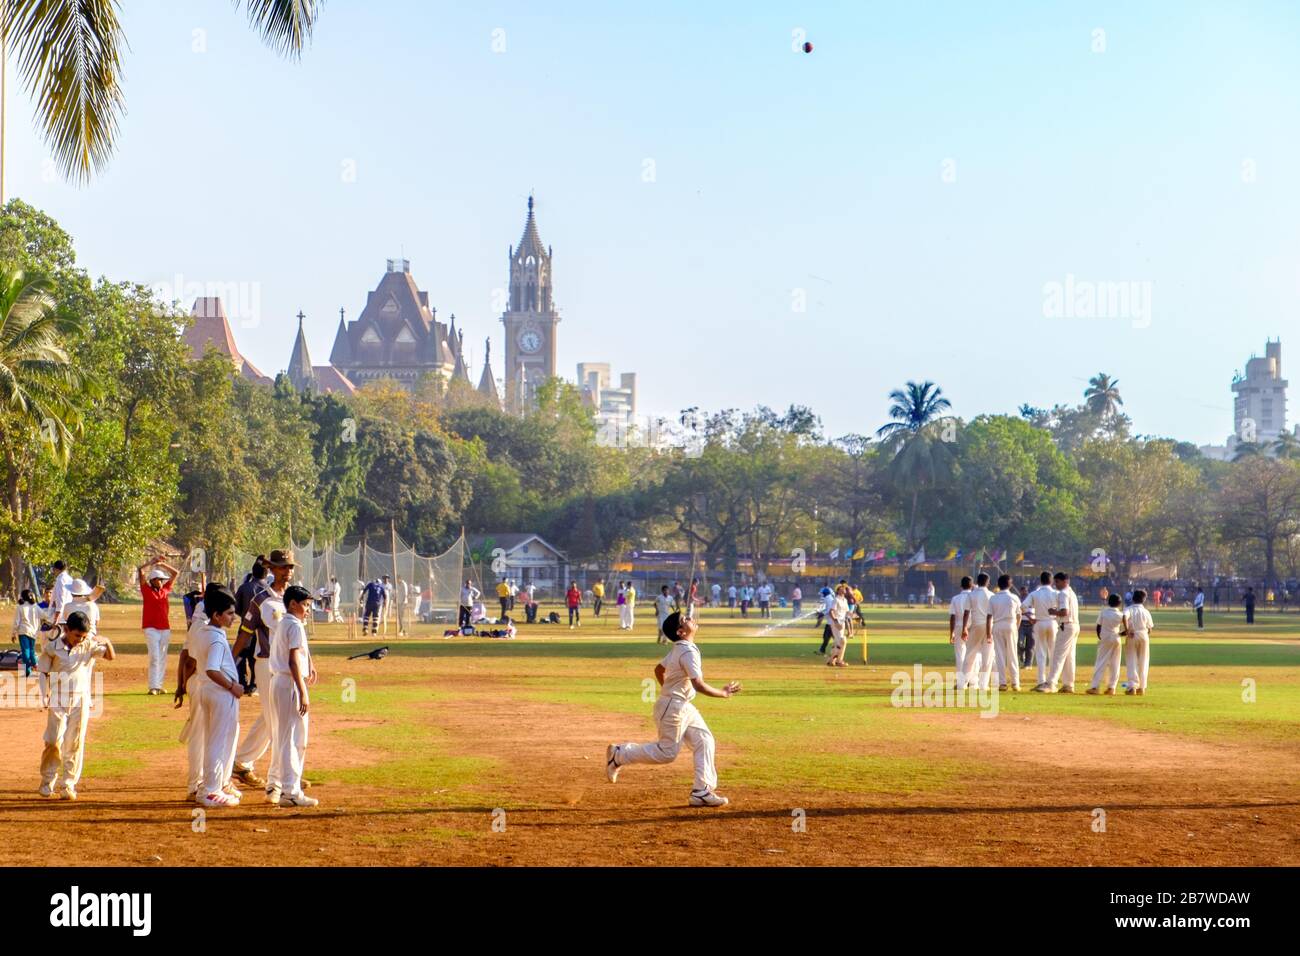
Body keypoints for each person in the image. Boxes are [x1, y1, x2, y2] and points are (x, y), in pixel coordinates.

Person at [605, 610, 741, 808]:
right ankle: (620, 754)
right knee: (666, 753)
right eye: (685, 620)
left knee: (704, 740)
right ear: (680, 631)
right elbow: (698, 685)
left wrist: (670, 691)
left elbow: (659, 670)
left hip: (681, 705)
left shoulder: (681, 647)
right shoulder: (686, 651)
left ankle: (701, 791)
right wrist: (723, 693)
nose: (690, 619)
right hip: (674, 708)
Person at [230, 550, 294, 795]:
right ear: (271, 569)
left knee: (273, 717)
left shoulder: (294, 597)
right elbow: (245, 632)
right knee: (276, 719)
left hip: (288, 664)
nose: (286, 572)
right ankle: (282, 778)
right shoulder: (260, 598)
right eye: (281, 567)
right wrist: (229, 660)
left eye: (289, 567)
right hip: (266, 663)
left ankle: (242, 762)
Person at [37, 611, 115, 800]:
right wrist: (44, 695)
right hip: (58, 699)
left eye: (83, 636)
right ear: (66, 630)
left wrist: (107, 641)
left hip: (81, 700)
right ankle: (47, 781)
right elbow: (43, 673)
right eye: (77, 635)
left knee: (75, 742)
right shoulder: (52, 647)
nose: (80, 640)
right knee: (53, 740)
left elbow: (111, 656)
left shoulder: (88, 645)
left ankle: (68, 785)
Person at [269, 585, 319, 807]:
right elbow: (291, 661)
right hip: (288, 683)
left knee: (287, 736)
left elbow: (297, 654)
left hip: (280, 681)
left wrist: (310, 664)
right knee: (294, 739)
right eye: (305, 605)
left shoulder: (287, 623)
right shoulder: (294, 625)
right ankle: (290, 790)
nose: (308, 609)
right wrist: (302, 691)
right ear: (292, 604)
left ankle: (285, 786)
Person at [194, 586, 243, 807]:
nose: (233, 618)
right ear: (216, 615)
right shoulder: (214, 638)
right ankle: (211, 789)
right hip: (219, 692)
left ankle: (210, 786)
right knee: (218, 741)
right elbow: (213, 669)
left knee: (214, 739)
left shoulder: (204, 632)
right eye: (230, 613)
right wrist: (232, 686)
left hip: (207, 690)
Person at [138, 558, 179, 696]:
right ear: (153, 580)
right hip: (150, 628)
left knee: (162, 657)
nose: (161, 582)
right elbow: (141, 570)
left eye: (162, 580)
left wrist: (162, 565)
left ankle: (159, 685)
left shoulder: (165, 590)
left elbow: (175, 573)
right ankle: (153, 686)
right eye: (159, 579)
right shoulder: (146, 590)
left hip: (165, 628)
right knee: (154, 657)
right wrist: (151, 562)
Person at [1036, 572, 1080, 694]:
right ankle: (1068, 684)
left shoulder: (1063, 594)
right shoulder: (1072, 593)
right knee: (1069, 656)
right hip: (1074, 625)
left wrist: (1053, 612)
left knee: (1058, 655)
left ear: (1065, 581)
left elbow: (1064, 612)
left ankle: (1051, 683)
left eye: (1057, 582)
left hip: (1066, 626)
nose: (1055, 585)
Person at [988, 574, 1022, 692]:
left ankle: (1002, 683)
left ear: (998, 585)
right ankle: (1015, 683)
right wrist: (1016, 628)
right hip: (1011, 625)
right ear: (1010, 585)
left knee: (1000, 656)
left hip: (997, 625)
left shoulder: (993, 598)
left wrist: (988, 633)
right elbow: (1019, 615)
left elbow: (989, 617)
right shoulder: (1014, 597)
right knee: (1012, 654)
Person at [962, 573, 995, 692]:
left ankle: (963, 683)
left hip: (976, 626)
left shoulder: (971, 595)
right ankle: (983, 685)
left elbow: (966, 613)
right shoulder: (991, 595)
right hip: (989, 627)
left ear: (978, 581)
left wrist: (964, 628)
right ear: (988, 582)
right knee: (987, 657)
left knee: (970, 655)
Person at [1088, 593, 1125, 696]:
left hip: (1105, 637)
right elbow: (1127, 629)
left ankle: (1095, 687)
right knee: (1115, 664)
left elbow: (1098, 626)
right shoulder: (1121, 615)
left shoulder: (1104, 612)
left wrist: (1100, 636)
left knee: (1101, 662)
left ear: (1109, 602)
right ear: (1119, 604)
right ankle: (1111, 688)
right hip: (1116, 638)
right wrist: (1120, 634)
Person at [1123, 589, 1155, 696]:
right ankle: (1142, 687)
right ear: (1144, 599)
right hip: (1144, 635)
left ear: (1133, 598)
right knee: (1143, 661)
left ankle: (1132, 686)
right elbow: (1150, 628)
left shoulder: (1129, 609)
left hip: (1132, 634)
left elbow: (1124, 617)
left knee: (1131, 660)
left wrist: (1127, 630)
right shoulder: (1146, 612)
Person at [948, 576, 972, 689]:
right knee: (973, 655)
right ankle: (972, 681)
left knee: (960, 655)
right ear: (971, 585)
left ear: (961, 586)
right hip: (973, 627)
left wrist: (951, 633)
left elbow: (952, 617)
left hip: (958, 627)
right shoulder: (974, 597)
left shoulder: (955, 598)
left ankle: (961, 682)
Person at [12, 588, 41, 678]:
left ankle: (28, 670)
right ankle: (36, 664)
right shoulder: (35, 606)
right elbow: (44, 614)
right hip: (33, 632)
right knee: (31, 650)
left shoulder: (20, 607)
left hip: (23, 632)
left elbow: (16, 622)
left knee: (25, 651)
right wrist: (53, 622)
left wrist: (13, 634)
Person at [826, 585, 851, 666]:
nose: (844, 589)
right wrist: (836, 621)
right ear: (838, 590)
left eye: (844, 588)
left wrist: (856, 616)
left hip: (842, 623)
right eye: (842, 588)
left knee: (837, 643)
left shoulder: (845, 600)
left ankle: (831, 661)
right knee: (842, 640)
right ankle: (839, 661)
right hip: (836, 623)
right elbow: (831, 612)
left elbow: (847, 612)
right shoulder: (836, 600)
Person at [1016, 584, 1035, 667]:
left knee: (1030, 646)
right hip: (1021, 624)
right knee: (1019, 643)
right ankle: (1022, 655)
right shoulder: (1017, 600)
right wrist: (1027, 615)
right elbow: (1018, 611)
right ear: (1020, 592)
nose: (1024, 593)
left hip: (1032, 625)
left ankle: (1028, 664)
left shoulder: (1032, 600)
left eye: (1026, 591)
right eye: (1023, 591)